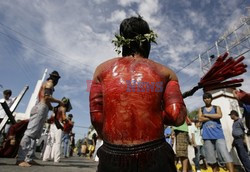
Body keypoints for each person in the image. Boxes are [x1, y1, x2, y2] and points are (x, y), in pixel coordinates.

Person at [89, 16, 187, 172]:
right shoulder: (166, 73)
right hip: (155, 155)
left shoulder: (101, 71)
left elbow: (96, 117)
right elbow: (177, 116)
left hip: (112, 155)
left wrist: (111, 141)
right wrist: (153, 112)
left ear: (122, 42)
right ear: (147, 41)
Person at [16, 71, 64, 167]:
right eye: (56, 78)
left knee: (35, 136)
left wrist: (51, 107)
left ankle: (29, 158)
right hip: (40, 108)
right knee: (30, 134)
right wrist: (59, 101)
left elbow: (46, 100)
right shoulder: (49, 83)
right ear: (54, 78)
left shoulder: (49, 85)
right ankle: (20, 159)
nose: (57, 80)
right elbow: (46, 97)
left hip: (43, 107)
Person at [198, 92, 234, 172]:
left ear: (211, 99)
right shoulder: (201, 109)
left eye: (208, 98)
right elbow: (200, 119)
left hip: (218, 135)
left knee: (225, 154)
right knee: (211, 159)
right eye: (205, 98)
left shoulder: (216, 107)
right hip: (207, 137)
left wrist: (206, 115)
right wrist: (213, 116)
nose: (207, 99)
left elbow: (219, 115)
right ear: (203, 100)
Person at [43, 97, 72, 163]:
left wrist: (47, 121)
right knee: (58, 142)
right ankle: (56, 159)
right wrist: (69, 122)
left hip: (52, 125)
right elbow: (64, 117)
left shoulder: (55, 108)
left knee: (50, 142)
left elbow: (51, 117)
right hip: (59, 125)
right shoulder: (63, 108)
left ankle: (45, 157)